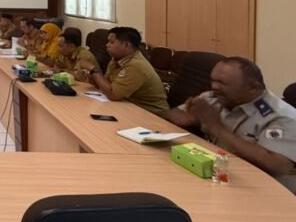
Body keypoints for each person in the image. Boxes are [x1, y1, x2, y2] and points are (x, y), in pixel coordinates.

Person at [165, 57, 296, 193]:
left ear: (252, 87)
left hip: (266, 189)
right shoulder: (214, 97)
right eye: (213, 80)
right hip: (220, 174)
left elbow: (276, 165)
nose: (214, 87)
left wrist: (217, 128)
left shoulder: (281, 117)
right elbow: (173, 114)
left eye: (222, 83)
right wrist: (187, 119)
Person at [87, 27, 168, 116]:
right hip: (129, 106)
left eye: (112, 42)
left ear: (126, 45)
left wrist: (94, 70)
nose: (107, 45)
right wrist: (91, 78)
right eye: (107, 42)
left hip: (151, 114)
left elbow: (113, 94)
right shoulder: (116, 59)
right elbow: (106, 83)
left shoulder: (136, 65)